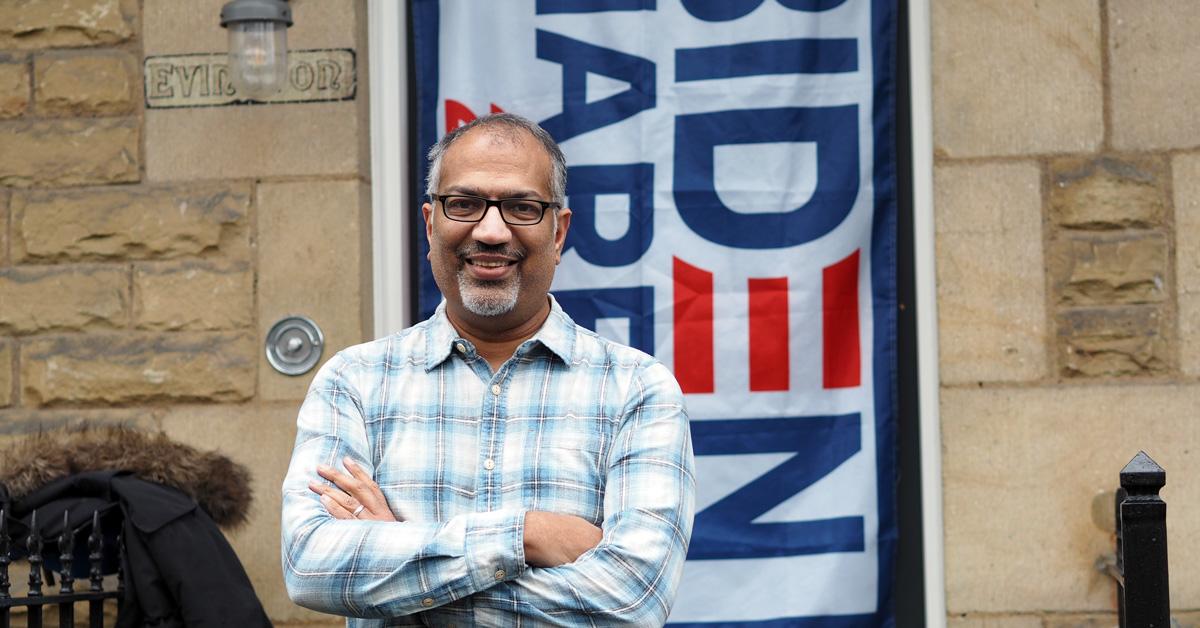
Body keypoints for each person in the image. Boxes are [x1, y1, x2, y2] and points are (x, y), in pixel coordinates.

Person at [281, 113, 695, 627]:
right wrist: (528, 535)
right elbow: (310, 567)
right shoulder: (355, 382)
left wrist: (399, 562)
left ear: (559, 230)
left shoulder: (637, 389)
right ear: (431, 223)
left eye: (522, 207)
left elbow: (632, 601)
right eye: (465, 204)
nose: (492, 231)